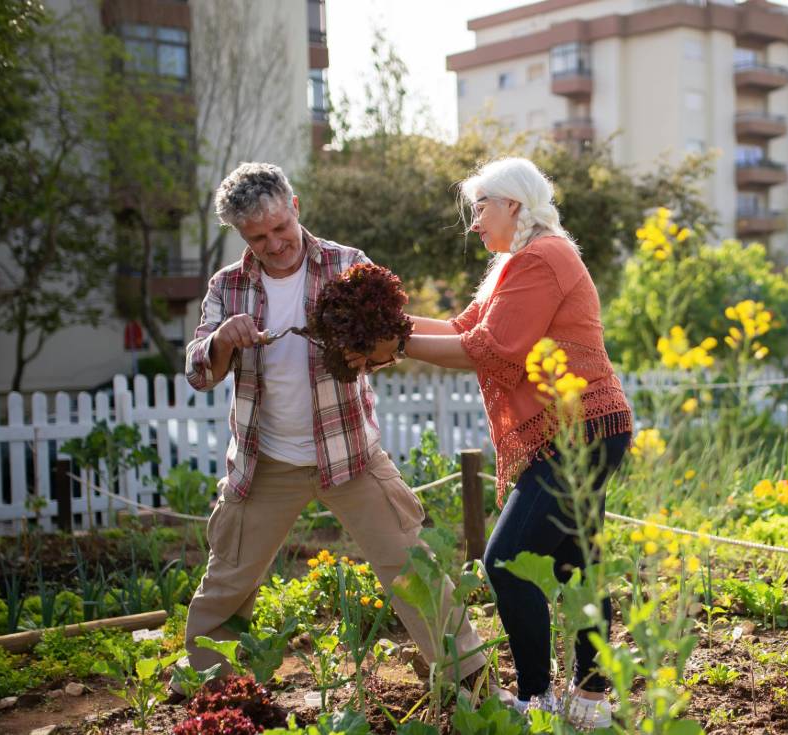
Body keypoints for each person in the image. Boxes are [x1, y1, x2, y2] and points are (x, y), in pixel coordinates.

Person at [179, 162, 486, 692]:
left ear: (294, 208)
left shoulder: (348, 265)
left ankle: (472, 682)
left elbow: (391, 346)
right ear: (240, 235)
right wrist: (223, 340)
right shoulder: (226, 286)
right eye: (258, 237)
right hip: (266, 461)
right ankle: (209, 691)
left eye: (280, 228)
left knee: (413, 566)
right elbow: (198, 372)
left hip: (351, 457)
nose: (274, 244)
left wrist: (366, 348)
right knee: (228, 579)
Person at [349, 157, 632, 727]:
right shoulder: (517, 264)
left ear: (514, 205)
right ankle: (593, 700)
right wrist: (385, 322)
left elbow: (493, 349)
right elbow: (461, 331)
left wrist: (393, 342)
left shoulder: (544, 257)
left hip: (578, 432)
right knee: (581, 565)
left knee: (504, 563)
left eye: (481, 208)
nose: (474, 222)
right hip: (579, 430)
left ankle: (537, 700)